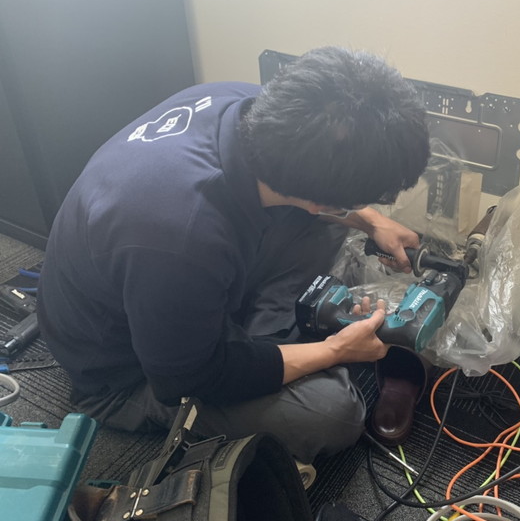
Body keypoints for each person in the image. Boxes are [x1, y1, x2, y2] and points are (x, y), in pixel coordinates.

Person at [37, 46, 431, 465]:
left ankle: (263, 347)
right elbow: (190, 377)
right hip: (123, 375)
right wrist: (335, 350)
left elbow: (314, 199)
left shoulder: (251, 106)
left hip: (172, 287)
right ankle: (272, 351)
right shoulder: (178, 235)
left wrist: (371, 222)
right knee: (334, 416)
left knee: (325, 226)